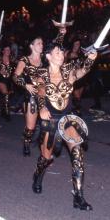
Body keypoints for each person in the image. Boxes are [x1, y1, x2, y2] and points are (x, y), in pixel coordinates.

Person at [32, 41, 96, 211]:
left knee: (77, 155)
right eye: (57, 53)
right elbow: (40, 91)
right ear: (48, 56)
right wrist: (42, 107)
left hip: (67, 120)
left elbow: (82, 70)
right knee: (45, 158)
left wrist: (90, 59)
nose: (61, 55)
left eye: (62, 53)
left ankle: (78, 197)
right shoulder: (42, 74)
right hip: (51, 121)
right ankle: (38, 176)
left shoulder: (68, 71)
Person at [13, 36, 43, 156]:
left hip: (46, 96)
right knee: (30, 127)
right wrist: (25, 85)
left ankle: (44, 148)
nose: (41, 45)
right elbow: (15, 77)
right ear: (31, 46)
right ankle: (26, 141)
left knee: (47, 125)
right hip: (31, 97)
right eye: (38, 43)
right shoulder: (24, 60)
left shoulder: (45, 60)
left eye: (42, 43)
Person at [0, 44, 15, 121]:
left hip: (9, 81)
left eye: (9, 50)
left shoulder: (12, 59)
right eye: (6, 50)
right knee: (6, 95)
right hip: (1, 80)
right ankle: (6, 113)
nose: (8, 51)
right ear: (3, 51)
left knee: (7, 96)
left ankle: (3, 110)